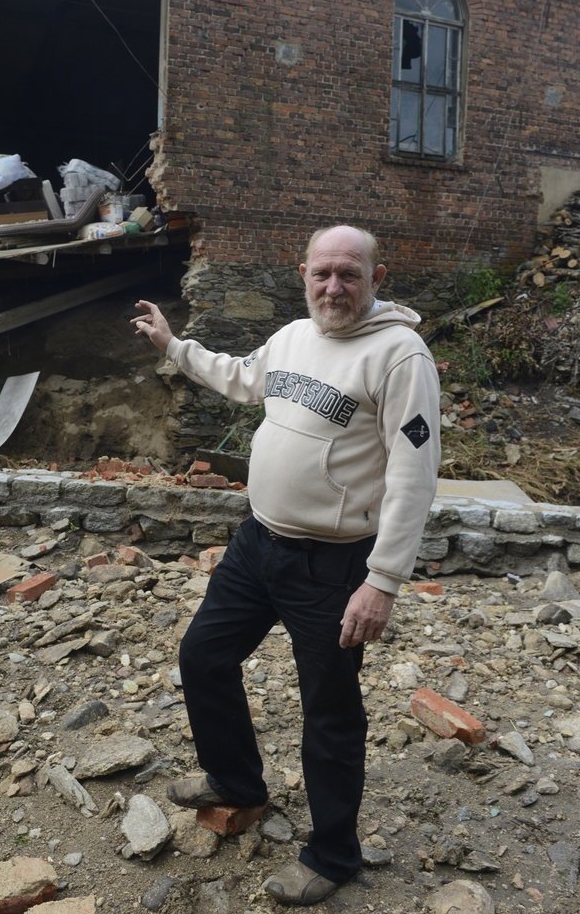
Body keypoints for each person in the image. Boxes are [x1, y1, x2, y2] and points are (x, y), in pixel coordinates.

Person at [131, 225, 440, 906]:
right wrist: (174, 347)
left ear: (377, 278)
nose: (334, 288)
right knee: (203, 657)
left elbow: (415, 479)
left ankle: (332, 855)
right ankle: (236, 781)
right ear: (303, 274)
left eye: (349, 275)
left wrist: (382, 581)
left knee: (329, 715)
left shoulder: (400, 356)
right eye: (322, 274)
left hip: (334, 565)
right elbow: (244, 379)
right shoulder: (296, 336)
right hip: (258, 544)